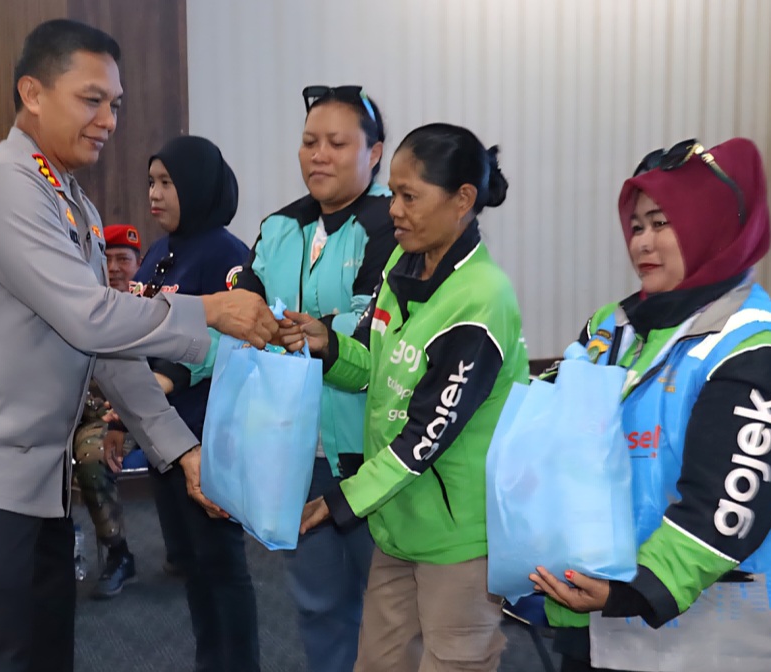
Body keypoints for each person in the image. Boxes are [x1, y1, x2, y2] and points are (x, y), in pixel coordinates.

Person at [0, 19, 276, 672]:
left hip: (35, 485)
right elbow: (91, 318)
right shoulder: (4, 184)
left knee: (39, 654)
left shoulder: (71, 203)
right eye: (91, 99)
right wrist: (211, 309)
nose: (108, 120)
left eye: (115, 104)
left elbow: (108, 348)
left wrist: (181, 450)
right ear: (33, 93)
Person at [529, 138, 771, 672]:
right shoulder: (614, 326)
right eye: (636, 225)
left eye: (662, 223)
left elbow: (724, 506)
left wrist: (634, 589)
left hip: (726, 641)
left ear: (710, 225)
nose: (642, 242)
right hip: (611, 618)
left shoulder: (758, 354)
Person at [280, 123, 530, 672]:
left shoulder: (483, 298)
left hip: (459, 541)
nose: (393, 210)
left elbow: (425, 436)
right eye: (393, 193)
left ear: (462, 200)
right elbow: (379, 368)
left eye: (409, 196)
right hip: (397, 523)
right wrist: (329, 348)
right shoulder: (403, 262)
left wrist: (339, 502)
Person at [226, 84, 397, 672]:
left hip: (375, 453)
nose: (318, 155)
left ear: (374, 153)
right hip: (295, 449)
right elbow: (238, 311)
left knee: (391, 612)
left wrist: (294, 330)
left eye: (336, 143)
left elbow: (371, 326)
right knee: (317, 604)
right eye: (308, 142)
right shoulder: (280, 227)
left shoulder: (393, 224)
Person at [114, 134, 259, 671]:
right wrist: (123, 418)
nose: (154, 194)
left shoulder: (227, 254)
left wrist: (166, 380)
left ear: (196, 187)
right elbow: (133, 332)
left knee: (221, 565)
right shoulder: (159, 252)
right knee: (192, 567)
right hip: (162, 434)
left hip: (209, 432)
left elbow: (235, 335)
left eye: (167, 183)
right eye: (151, 182)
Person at [72, 224, 186, 598]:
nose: (114, 268)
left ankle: (118, 554)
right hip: (74, 409)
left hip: (128, 414)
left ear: (140, 265)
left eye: (123, 259)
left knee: (92, 456)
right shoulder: (80, 303)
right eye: (106, 259)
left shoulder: (151, 310)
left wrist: (121, 417)